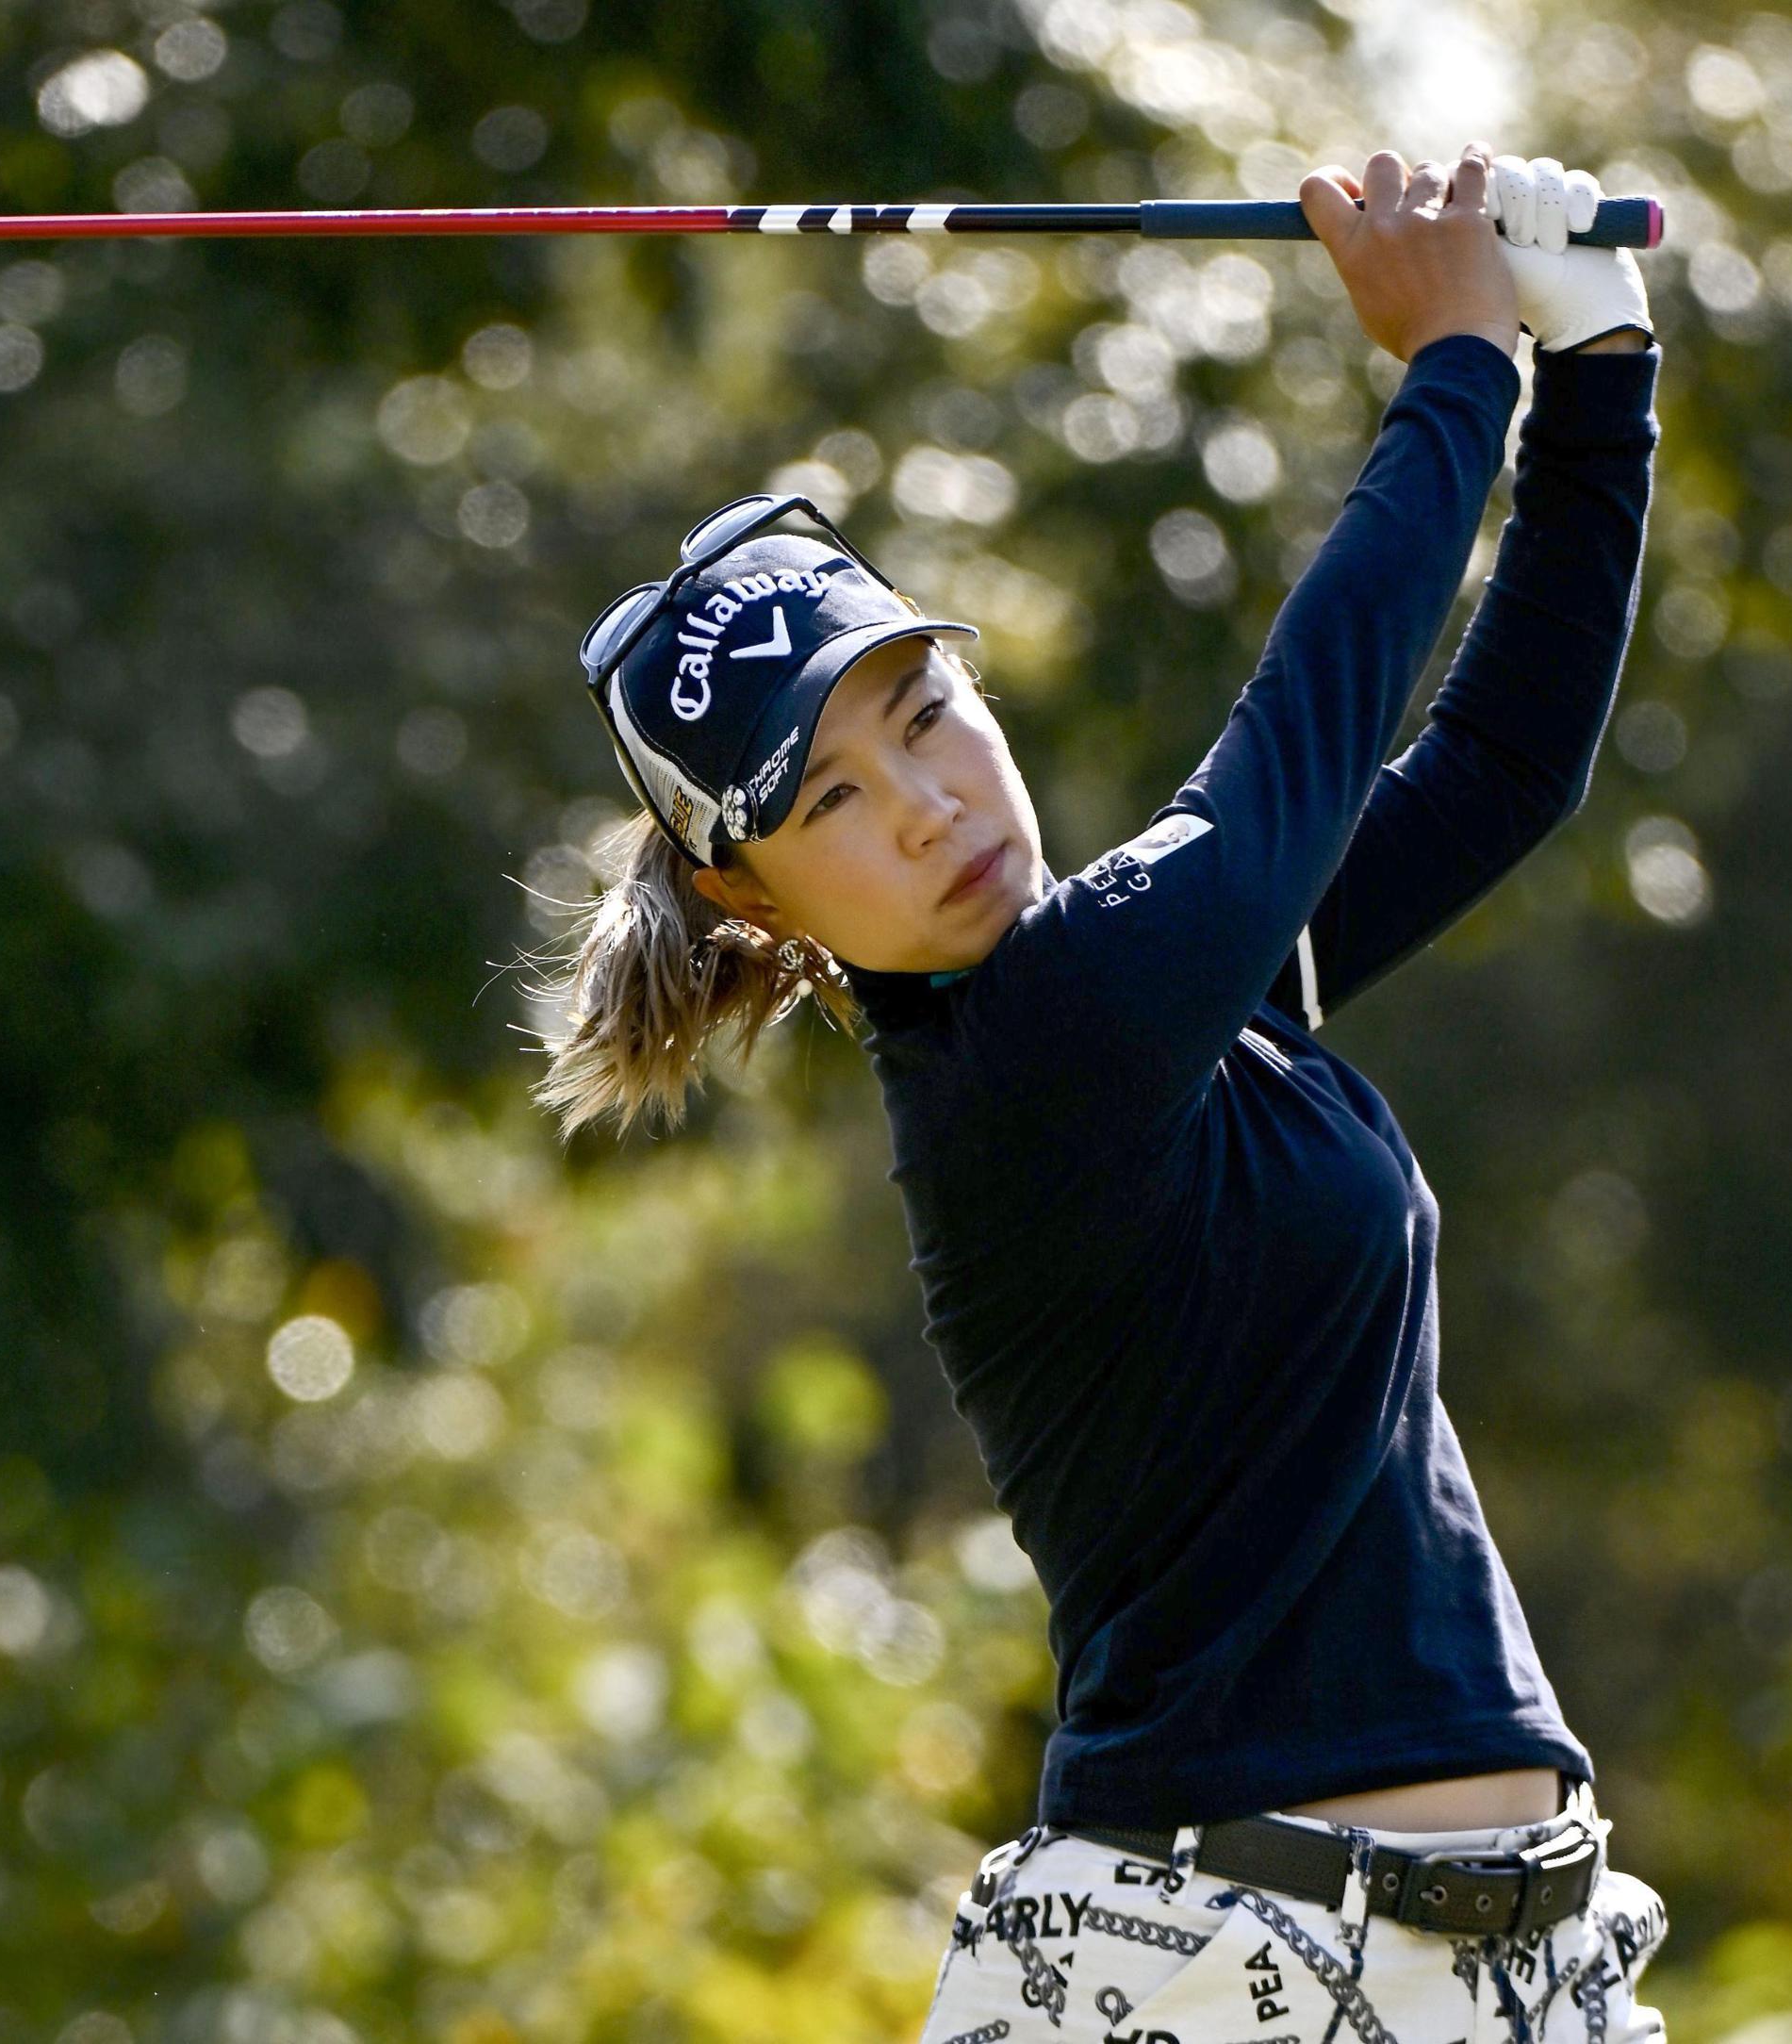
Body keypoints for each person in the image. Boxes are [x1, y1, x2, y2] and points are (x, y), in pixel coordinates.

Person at [529, 142, 1670, 2041]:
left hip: (1505, 1968)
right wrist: (1458, 357)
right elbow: (1305, 731)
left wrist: (1599, 361)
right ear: (747, 893)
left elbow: (1502, 764)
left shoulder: (1186, 1009)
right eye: (831, 804)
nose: (930, 807)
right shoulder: (1042, 1053)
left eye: (923, 717)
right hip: (1215, 1972)